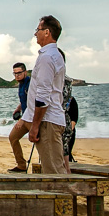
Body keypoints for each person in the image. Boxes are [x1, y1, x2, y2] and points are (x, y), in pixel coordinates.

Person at [24, 15, 68, 174]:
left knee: (53, 171)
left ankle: (64, 198)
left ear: (47, 32)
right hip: (49, 119)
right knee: (52, 168)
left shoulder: (48, 57)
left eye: (38, 30)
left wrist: (35, 126)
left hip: (47, 120)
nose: (36, 33)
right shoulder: (51, 55)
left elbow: (43, 95)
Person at [7, 61, 32, 172]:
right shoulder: (21, 84)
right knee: (13, 137)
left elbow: (33, 103)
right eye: (15, 73)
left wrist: (22, 120)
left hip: (32, 118)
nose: (17, 75)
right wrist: (19, 108)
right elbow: (25, 100)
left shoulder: (31, 83)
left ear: (25, 72)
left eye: (19, 73)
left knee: (39, 142)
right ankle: (21, 165)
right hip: (24, 116)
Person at [63, 93, 79, 166]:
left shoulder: (71, 100)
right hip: (58, 129)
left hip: (69, 130)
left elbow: (74, 118)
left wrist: (70, 131)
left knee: (67, 151)